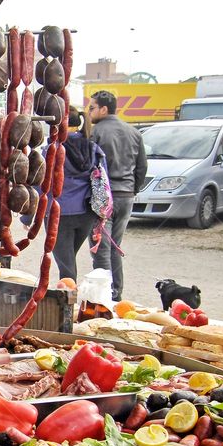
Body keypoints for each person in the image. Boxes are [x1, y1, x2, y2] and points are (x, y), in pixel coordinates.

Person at [88, 90, 147, 301]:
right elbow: (142, 168)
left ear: (104, 109)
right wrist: (133, 189)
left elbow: (89, 167)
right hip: (126, 196)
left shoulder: (96, 132)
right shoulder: (134, 132)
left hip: (104, 198)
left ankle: (104, 298)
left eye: (92, 107)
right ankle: (116, 293)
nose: (89, 112)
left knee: (101, 248)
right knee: (114, 246)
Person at [49, 108, 106, 282]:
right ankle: (69, 299)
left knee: (66, 266)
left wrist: (28, 218)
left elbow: (40, 185)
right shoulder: (93, 148)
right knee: (68, 259)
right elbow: (104, 180)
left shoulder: (53, 150)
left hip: (59, 214)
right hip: (86, 214)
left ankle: (67, 304)